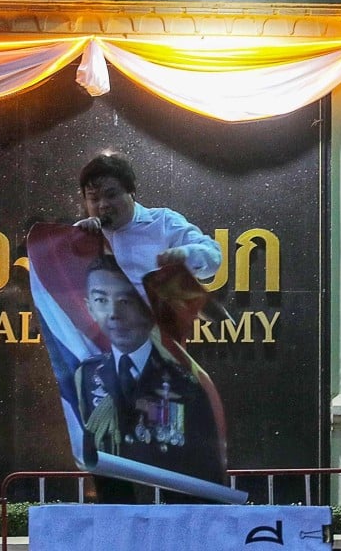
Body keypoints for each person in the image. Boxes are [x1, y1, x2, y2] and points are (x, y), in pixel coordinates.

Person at [74, 255, 226, 503]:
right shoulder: (88, 375)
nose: (113, 314)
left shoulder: (186, 381)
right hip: (118, 515)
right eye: (101, 300)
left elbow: (203, 464)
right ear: (89, 306)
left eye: (125, 301)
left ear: (146, 307)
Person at [75, 153, 222, 293]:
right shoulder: (83, 233)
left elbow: (213, 257)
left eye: (111, 195)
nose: (103, 205)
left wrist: (186, 254)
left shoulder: (163, 221)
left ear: (131, 192)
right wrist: (74, 238)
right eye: (94, 199)